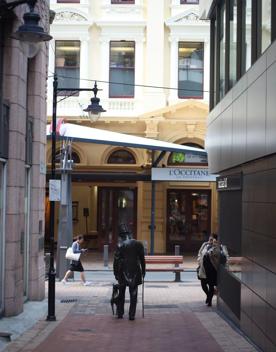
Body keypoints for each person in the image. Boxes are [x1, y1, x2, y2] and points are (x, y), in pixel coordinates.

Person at [113, 223, 145, 321]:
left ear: (121, 236)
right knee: (133, 294)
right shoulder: (138, 244)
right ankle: (132, 315)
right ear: (130, 234)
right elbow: (142, 260)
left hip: (122, 272)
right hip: (135, 271)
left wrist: (115, 273)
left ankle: (120, 313)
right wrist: (143, 271)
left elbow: (116, 261)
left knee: (121, 293)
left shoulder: (120, 245)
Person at [203, 239, 228, 306]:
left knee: (212, 287)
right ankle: (211, 301)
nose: (214, 243)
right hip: (215, 273)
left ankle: (210, 301)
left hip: (214, 273)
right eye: (214, 242)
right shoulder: (220, 251)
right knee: (213, 287)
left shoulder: (210, 251)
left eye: (215, 242)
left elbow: (205, 262)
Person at [197, 235, 214, 304]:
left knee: (211, 285)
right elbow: (200, 252)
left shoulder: (217, 247)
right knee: (203, 285)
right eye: (210, 239)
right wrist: (199, 260)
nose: (210, 241)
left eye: (212, 240)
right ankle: (208, 296)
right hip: (203, 268)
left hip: (212, 270)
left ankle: (209, 301)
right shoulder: (205, 245)